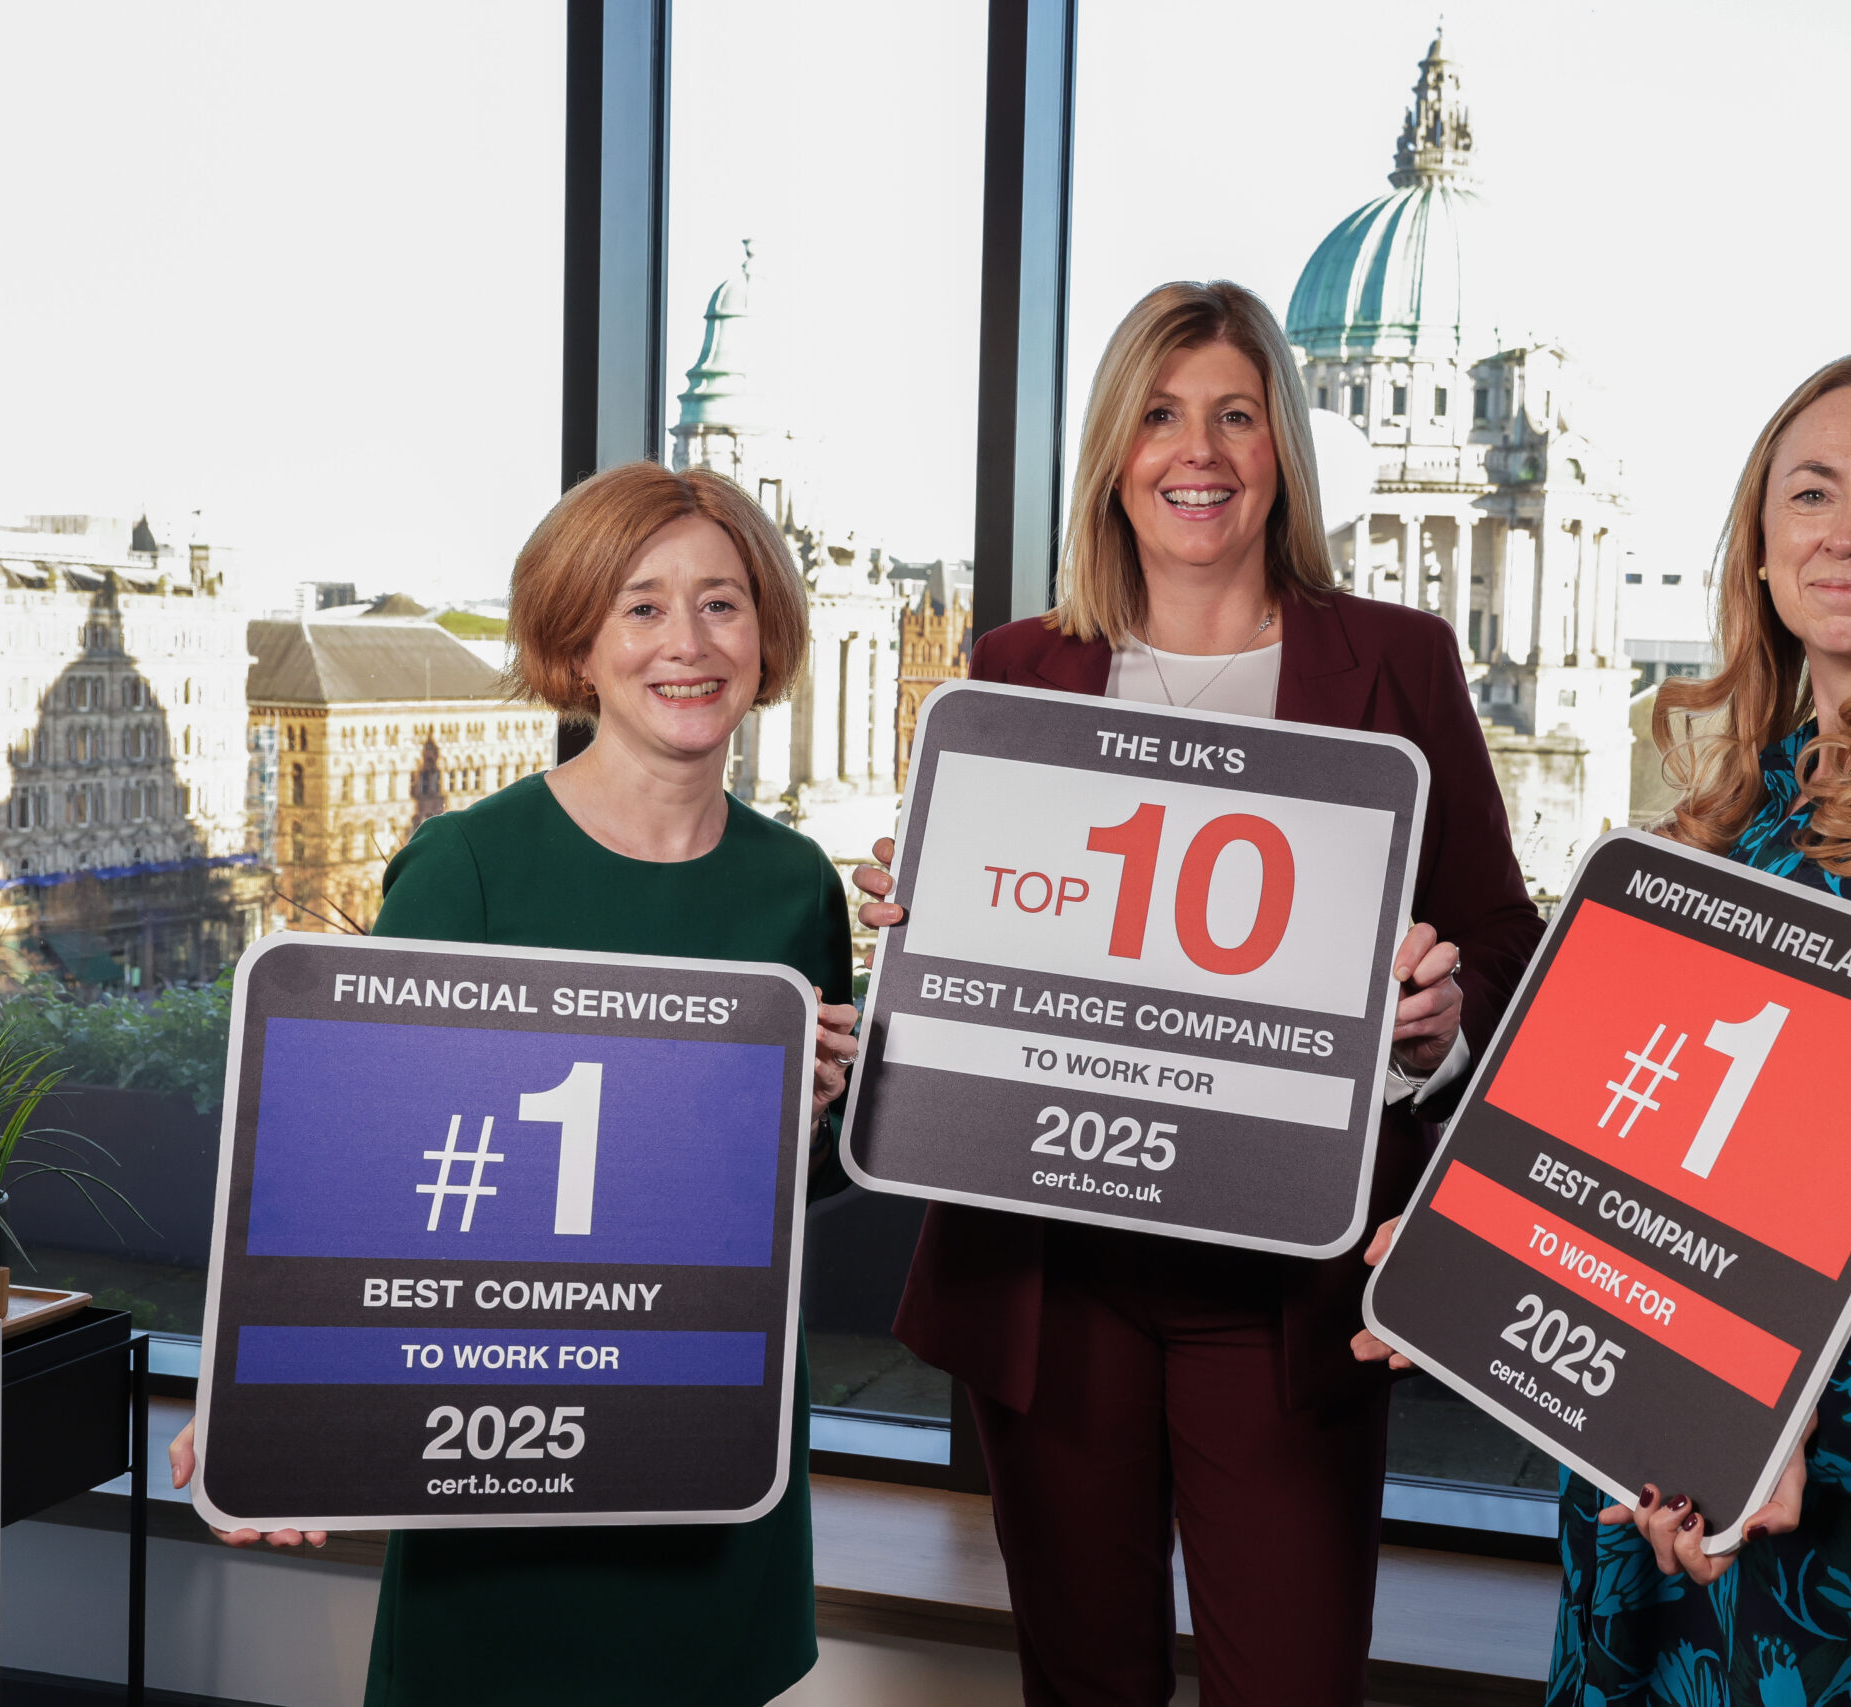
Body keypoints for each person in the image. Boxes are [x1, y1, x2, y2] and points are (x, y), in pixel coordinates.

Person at [1355, 347, 1851, 1705]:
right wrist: (1470, 1256)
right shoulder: (1733, 816)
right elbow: (1626, 1135)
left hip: (1828, 1543)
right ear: (1761, 551)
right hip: (1627, 1479)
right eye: (1811, 493)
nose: (1850, 534)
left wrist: (1792, 1439)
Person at [837, 280, 1544, 1705]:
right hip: (1053, 1269)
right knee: (1083, 1680)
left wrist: (1439, 1026)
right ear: (1114, 450)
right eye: (1160, 415)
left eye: (1236, 415)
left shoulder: (1397, 660)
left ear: (1285, 448)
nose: (1198, 451)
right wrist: (919, 922)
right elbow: (988, 954)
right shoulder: (1017, 667)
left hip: (1283, 1285)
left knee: (1290, 1682)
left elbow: (1500, 944)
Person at [170, 461, 863, 1707]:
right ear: (575, 645)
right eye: (641, 607)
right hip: (498, 1468)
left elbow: (779, 1208)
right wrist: (259, 1398)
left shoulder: (796, 885)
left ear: (766, 635)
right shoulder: (468, 867)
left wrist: (803, 1120)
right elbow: (353, 1176)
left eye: (721, 603)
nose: (688, 642)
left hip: (706, 1452)